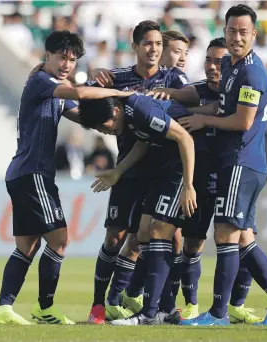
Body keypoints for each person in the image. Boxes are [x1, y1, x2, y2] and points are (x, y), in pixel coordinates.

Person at [0, 30, 133, 326]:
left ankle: (3, 307)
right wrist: (120, 93)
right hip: (32, 174)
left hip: (25, 173)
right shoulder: (43, 81)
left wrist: (109, 125)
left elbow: (81, 113)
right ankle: (44, 307)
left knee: (27, 246)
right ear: (48, 56)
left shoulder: (52, 86)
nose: (67, 64)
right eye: (62, 58)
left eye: (72, 59)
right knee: (59, 238)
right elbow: (79, 93)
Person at [178, 4, 267, 326]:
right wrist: (197, 105)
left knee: (226, 235)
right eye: (232, 31)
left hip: (241, 162)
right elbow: (225, 105)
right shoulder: (232, 64)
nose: (236, 37)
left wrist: (202, 119)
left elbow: (243, 120)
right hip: (244, 163)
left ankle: (217, 313)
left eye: (243, 32)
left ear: (254, 35)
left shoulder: (251, 72)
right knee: (243, 238)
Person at [86, 21, 196, 324]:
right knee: (115, 237)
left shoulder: (172, 78)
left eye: (158, 44)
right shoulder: (118, 78)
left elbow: (192, 96)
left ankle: (143, 301)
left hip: (161, 169)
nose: (153, 49)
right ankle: (100, 305)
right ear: (135, 46)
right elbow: (90, 103)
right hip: (130, 167)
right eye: (148, 43)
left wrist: (170, 92)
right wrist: (94, 78)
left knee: (152, 238)